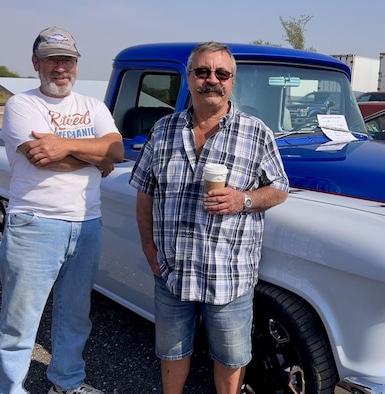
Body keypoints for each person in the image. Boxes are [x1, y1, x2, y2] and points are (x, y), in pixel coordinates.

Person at [129, 41, 290, 394]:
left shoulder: (256, 132)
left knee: (231, 358)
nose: (211, 80)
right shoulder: (163, 130)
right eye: (202, 72)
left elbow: (279, 188)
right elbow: (144, 190)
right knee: (172, 351)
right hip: (173, 272)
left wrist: (242, 199)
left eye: (221, 73)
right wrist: (149, 249)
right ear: (189, 78)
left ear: (232, 81)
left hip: (229, 275)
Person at [0, 26, 123, 394]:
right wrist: (93, 156)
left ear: (77, 64)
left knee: (75, 315)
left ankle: (66, 382)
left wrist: (64, 146)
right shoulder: (22, 105)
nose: (60, 67)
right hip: (35, 223)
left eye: (67, 60)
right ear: (36, 63)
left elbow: (116, 151)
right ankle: (8, 388)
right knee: (19, 321)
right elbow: (44, 159)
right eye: (52, 60)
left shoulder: (93, 106)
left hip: (86, 224)